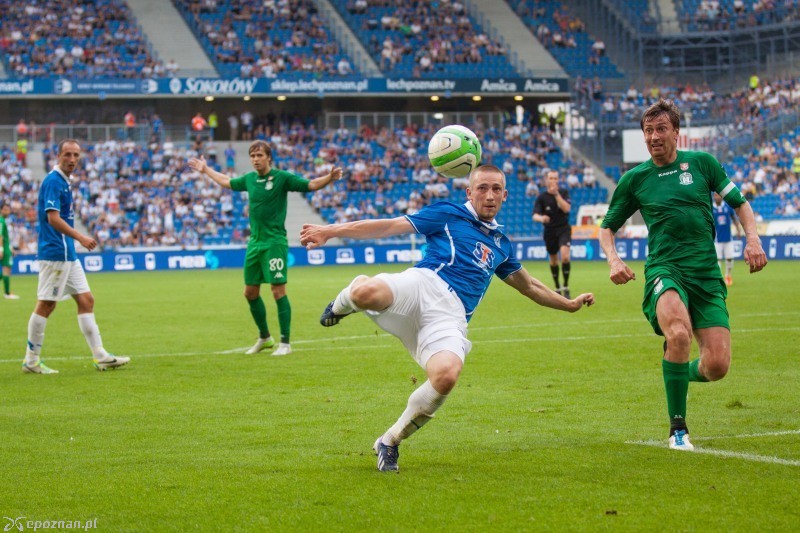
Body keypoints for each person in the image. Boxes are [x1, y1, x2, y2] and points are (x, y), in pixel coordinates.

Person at [300, 165, 595, 472]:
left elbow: (531, 286)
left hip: (450, 316)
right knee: (367, 293)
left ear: (505, 195)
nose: (489, 195)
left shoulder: (501, 245)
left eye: (496, 189)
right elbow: (387, 226)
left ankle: (390, 440)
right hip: (422, 284)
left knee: (447, 375)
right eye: (482, 188)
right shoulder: (448, 213)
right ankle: (343, 303)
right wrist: (330, 231)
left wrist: (569, 305)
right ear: (469, 192)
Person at [598, 99, 767, 451]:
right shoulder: (635, 179)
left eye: (661, 130)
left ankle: (676, 369)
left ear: (676, 132)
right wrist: (613, 260)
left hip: (705, 274)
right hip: (665, 269)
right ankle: (678, 428)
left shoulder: (703, 164)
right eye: (648, 131)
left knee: (717, 365)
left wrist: (752, 239)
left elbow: (740, 203)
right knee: (677, 333)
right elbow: (607, 227)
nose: (654, 137)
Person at [188, 141, 343, 356]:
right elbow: (227, 181)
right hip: (254, 243)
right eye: (252, 155)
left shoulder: (282, 178)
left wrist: (329, 177)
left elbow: (310, 185)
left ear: (269, 157)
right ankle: (265, 338)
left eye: (259, 154)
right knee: (250, 292)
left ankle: (285, 343)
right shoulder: (250, 179)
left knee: (278, 291)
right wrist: (205, 169)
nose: (255, 159)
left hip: (274, 243)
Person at [23, 139, 130, 374]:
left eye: (76, 156)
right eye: (68, 155)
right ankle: (31, 361)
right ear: (58, 155)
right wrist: (81, 237)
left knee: (86, 300)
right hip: (55, 253)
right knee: (47, 304)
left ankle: (100, 355)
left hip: (67, 253)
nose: (72, 160)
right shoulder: (53, 181)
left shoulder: (64, 182)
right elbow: (53, 218)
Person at [532, 170, 572, 297]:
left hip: (563, 228)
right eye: (551, 178)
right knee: (554, 260)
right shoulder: (541, 197)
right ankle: (557, 287)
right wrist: (542, 218)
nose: (553, 180)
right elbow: (534, 215)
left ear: (558, 180)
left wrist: (556, 195)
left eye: (555, 178)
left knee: (565, 256)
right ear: (546, 180)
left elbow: (567, 208)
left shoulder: (564, 193)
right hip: (549, 231)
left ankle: (566, 286)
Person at [713, 192, 742, 286]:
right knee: (717, 260)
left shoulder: (727, 207)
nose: (717, 197)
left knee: (729, 259)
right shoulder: (711, 208)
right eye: (715, 195)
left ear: (721, 197)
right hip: (717, 239)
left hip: (728, 238)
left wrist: (738, 230)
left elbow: (734, 218)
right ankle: (719, 277)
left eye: (718, 195)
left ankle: (728, 275)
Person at [1, 203, 21, 299]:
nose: (7, 212)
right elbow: (0, 236)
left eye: (8, 209)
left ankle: (7, 292)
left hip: (6, 247)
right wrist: (1, 249)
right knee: (6, 269)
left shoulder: (4, 221)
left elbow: (5, 237)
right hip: (3, 248)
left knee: (7, 270)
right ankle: (7, 293)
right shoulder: (1, 221)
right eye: (5, 209)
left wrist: (10, 247)